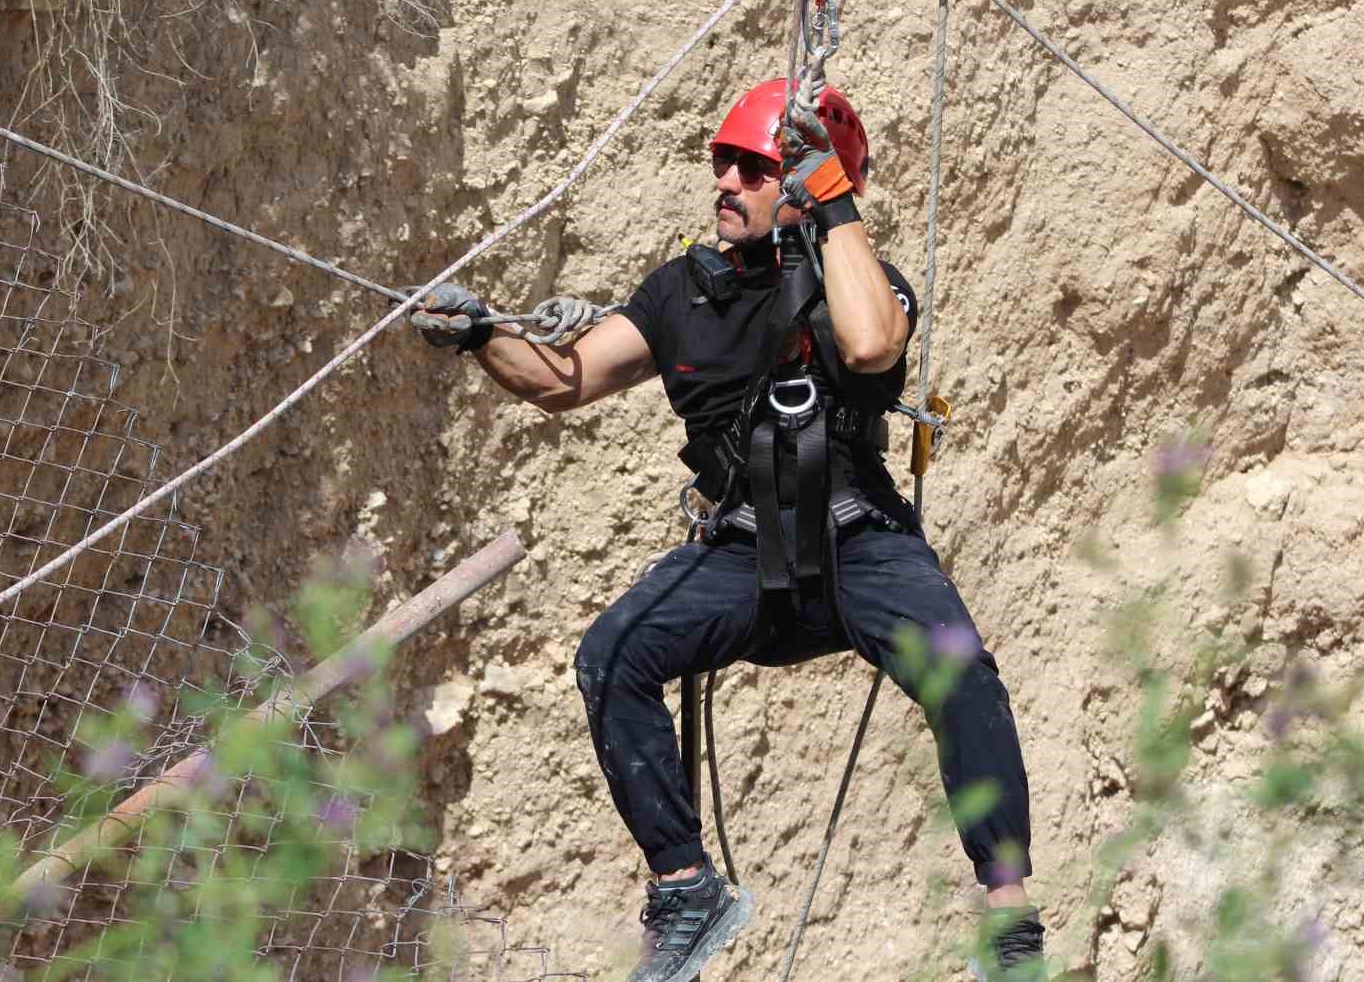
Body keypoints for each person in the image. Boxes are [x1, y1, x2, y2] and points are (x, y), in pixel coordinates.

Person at [411, 78, 1045, 982]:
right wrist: (479, 334)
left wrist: (834, 207)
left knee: (962, 669)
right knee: (612, 653)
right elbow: (564, 379)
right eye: (724, 163)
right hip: (743, 547)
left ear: (805, 181)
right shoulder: (681, 292)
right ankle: (686, 886)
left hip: (860, 537)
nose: (727, 182)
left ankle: (1009, 919)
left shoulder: (856, 278)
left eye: (753, 168)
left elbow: (870, 348)